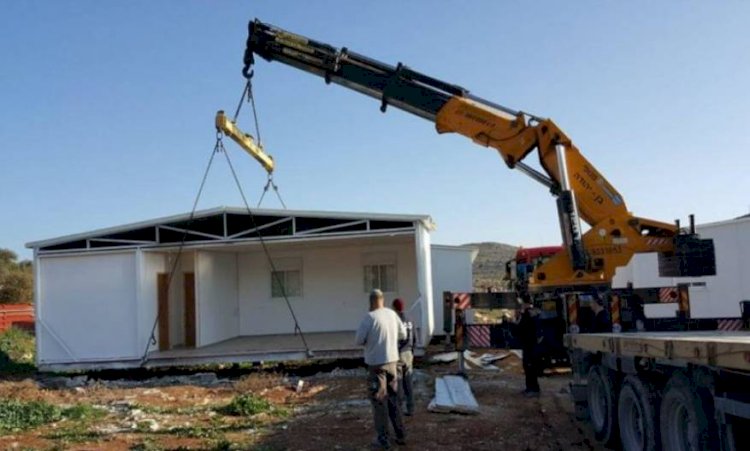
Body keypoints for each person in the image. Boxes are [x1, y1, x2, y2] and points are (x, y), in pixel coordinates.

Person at [355, 289, 407, 449]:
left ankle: (383, 439)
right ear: (383, 300)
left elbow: (359, 340)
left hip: (376, 365)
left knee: (379, 402)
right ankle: (400, 435)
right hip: (393, 362)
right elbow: (403, 335)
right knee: (393, 400)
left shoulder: (369, 318)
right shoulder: (392, 314)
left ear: (371, 302)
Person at [392, 298, 415, 416]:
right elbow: (414, 336)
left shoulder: (395, 320)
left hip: (399, 353)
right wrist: (412, 350)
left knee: (399, 382)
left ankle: (399, 409)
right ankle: (411, 408)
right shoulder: (410, 318)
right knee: (408, 381)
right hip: (409, 352)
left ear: (394, 308)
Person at [516, 301, 542, 397]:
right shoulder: (526, 315)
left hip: (530, 345)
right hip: (527, 345)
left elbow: (527, 329)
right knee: (527, 367)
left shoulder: (530, 315)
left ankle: (533, 389)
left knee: (530, 366)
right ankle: (529, 388)